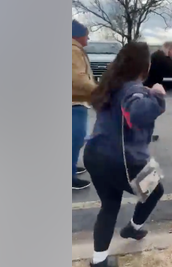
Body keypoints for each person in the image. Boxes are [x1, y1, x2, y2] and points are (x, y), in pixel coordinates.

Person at [83, 42, 166, 267]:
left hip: (94, 155)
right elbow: (137, 114)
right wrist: (157, 96)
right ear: (144, 66)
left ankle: (99, 261)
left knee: (109, 205)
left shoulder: (110, 85)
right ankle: (133, 227)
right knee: (155, 189)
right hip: (121, 159)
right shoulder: (134, 89)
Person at [72, 19, 97, 189]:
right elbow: (78, 78)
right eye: (86, 36)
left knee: (75, 139)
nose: (87, 40)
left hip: (77, 101)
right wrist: (98, 91)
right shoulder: (73, 51)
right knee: (74, 139)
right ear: (78, 36)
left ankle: (71, 168)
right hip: (74, 102)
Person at [144, 41, 172, 142]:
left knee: (149, 112)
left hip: (149, 86)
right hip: (149, 87)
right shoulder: (160, 57)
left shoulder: (158, 56)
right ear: (169, 49)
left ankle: (147, 134)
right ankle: (146, 135)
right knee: (149, 112)